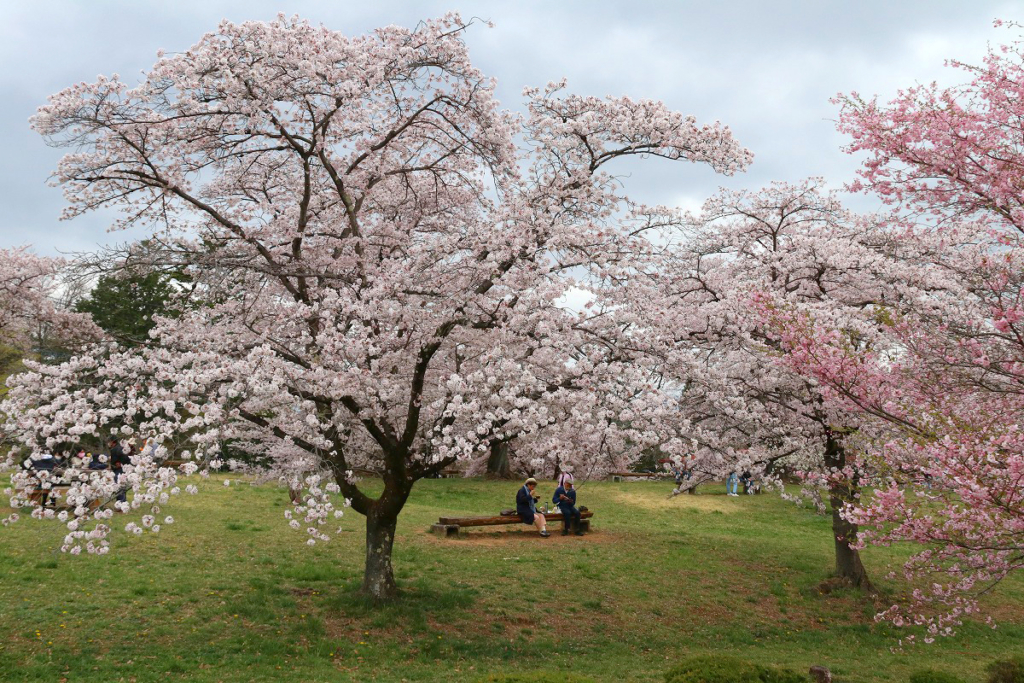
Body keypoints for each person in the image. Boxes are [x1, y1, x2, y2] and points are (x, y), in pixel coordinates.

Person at [109, 437, 131, 503]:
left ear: (112, 442)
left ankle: (121, 502)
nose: (108, 443)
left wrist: (121, 462)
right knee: (121, 486)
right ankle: (122, 502)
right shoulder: (119, 447)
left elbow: (124, 457)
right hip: (122, 469)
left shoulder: (116, 449)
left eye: (109, 442)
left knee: (119, 486)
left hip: (119, 469)